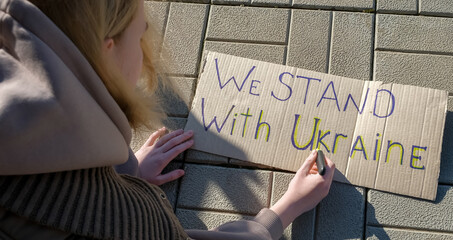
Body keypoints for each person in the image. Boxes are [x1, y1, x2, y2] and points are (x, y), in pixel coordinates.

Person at [0, 0, 336, 239]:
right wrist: (283, 211)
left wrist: (124, 173)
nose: (148, 51)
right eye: (141, 34)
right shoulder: (123, 223)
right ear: (108, 51)